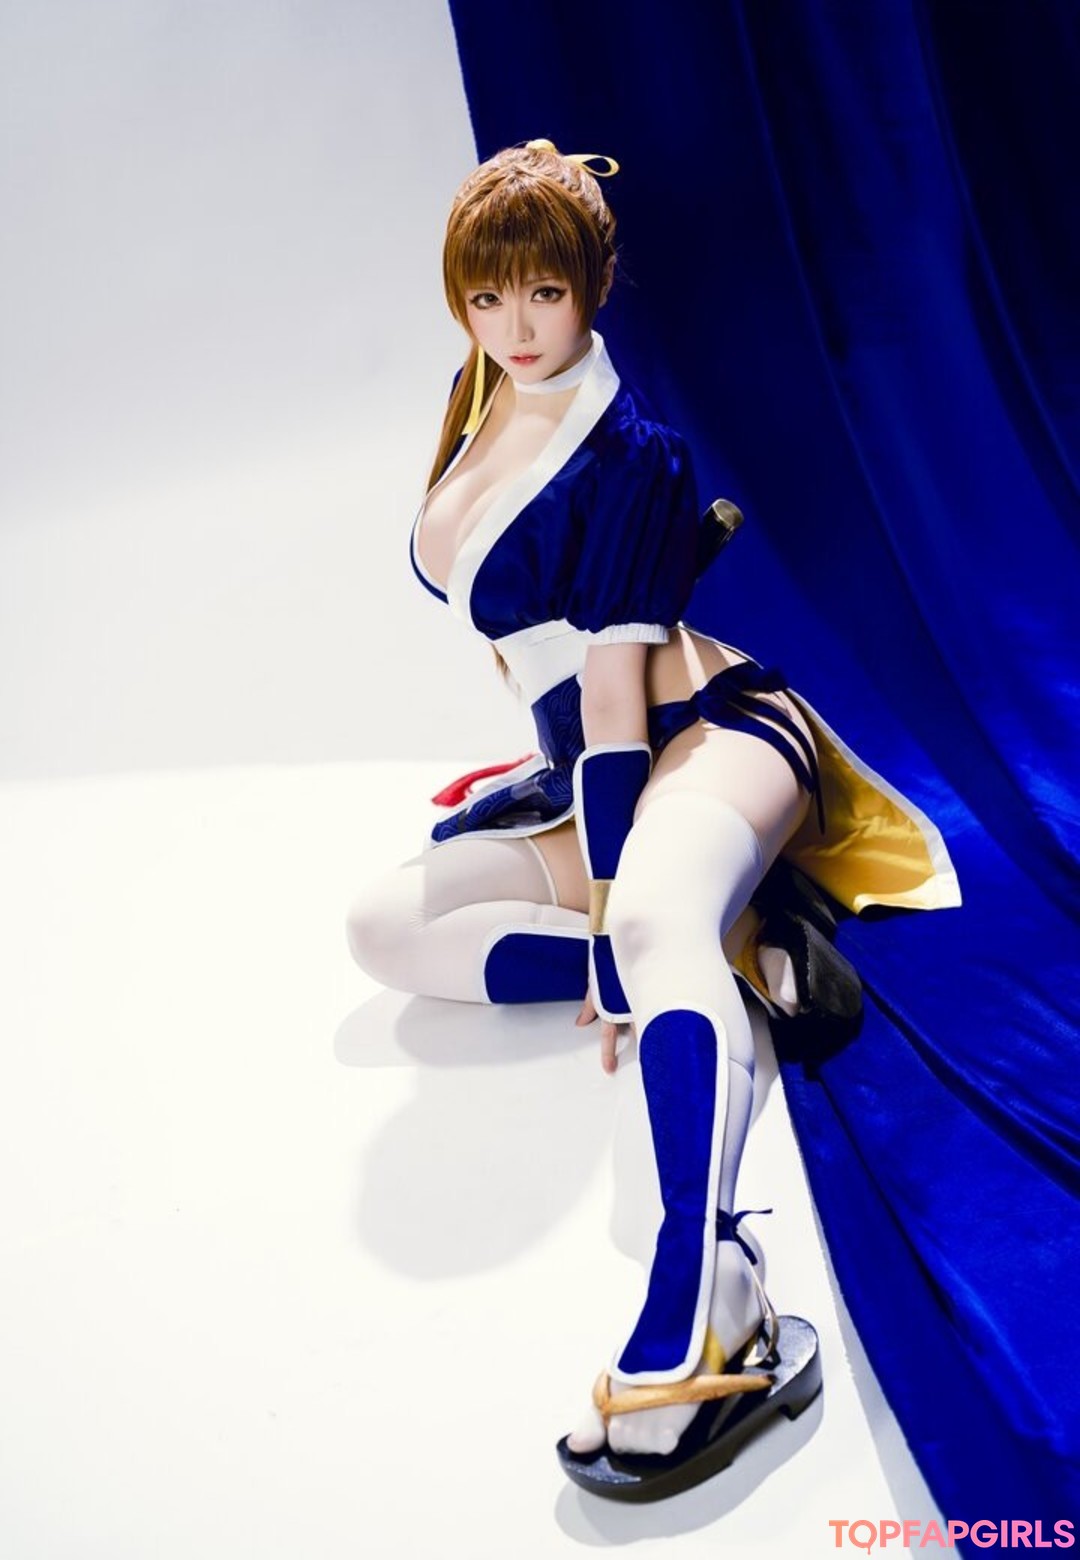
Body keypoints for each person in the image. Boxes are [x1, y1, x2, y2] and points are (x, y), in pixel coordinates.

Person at [345, 139, 960, 1498]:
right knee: (384, 928)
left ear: (592, 287)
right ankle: (716, 940)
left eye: (543, 294)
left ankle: (713, 1290)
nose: (517, 325)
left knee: (654, 925)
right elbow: (546, 674)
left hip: (718, 734)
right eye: (488, 297)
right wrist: (547, 786)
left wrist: (627, 909)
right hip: (598, 770)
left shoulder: (631, 449)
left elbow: (619, 701)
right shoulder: (481, 402)